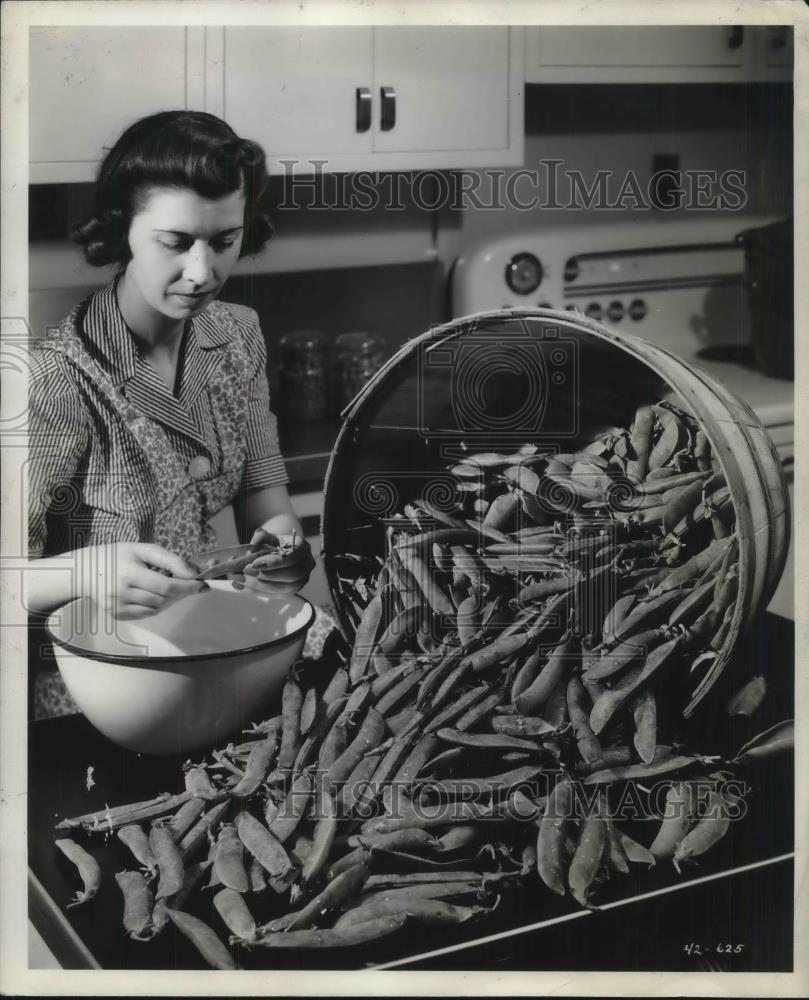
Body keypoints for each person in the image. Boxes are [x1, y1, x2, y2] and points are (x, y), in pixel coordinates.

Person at [27, 110, 315, 638]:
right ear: (123, 230)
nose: (202, 273)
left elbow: (265, 495)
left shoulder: (239, 334)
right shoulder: (55, 378)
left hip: (214, 641)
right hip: (95, 680)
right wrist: (85, 571)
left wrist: (283, 551)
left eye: (225, 241)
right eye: (175, 242)